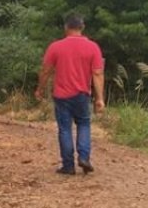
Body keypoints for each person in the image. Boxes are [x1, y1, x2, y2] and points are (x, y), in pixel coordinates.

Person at [34, 14, 105, 175]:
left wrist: (40, 89)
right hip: (82, 95)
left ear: (66, 27)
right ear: (82, 27)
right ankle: (84, 157)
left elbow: (46, 71)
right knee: (84, 124)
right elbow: (98, 73)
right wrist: (99, 98)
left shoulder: (56, 47)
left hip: (61, 95)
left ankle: (68, 165)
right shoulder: (93, 47)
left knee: (65, 129)